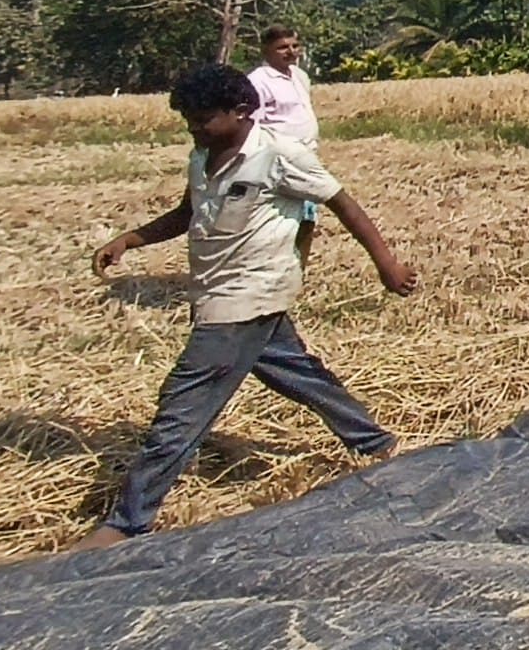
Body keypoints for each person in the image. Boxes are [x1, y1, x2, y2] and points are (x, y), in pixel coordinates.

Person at [75, 60, 420, 548]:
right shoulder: (204, 155)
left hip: (246, 297)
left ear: (241, 112)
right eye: (188, 120)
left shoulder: (277, 155)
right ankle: (374, 440)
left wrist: (386, 265)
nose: (194, 129)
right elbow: (187, 212)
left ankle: (127, 521)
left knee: (182, 407)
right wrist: (132, 239)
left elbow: (344, 204)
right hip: (216, 291)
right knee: (294, 370)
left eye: (203, 119)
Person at [248, 23, 323, 261]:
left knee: (307, 217)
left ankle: (298, 270)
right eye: (282, 47)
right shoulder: (258, 81)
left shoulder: (300, 77)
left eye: (295, 45)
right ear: (266, 50)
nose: (291, 51)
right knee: (279, 221)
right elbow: (252, 125)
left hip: (306, 157)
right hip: (278, 161)